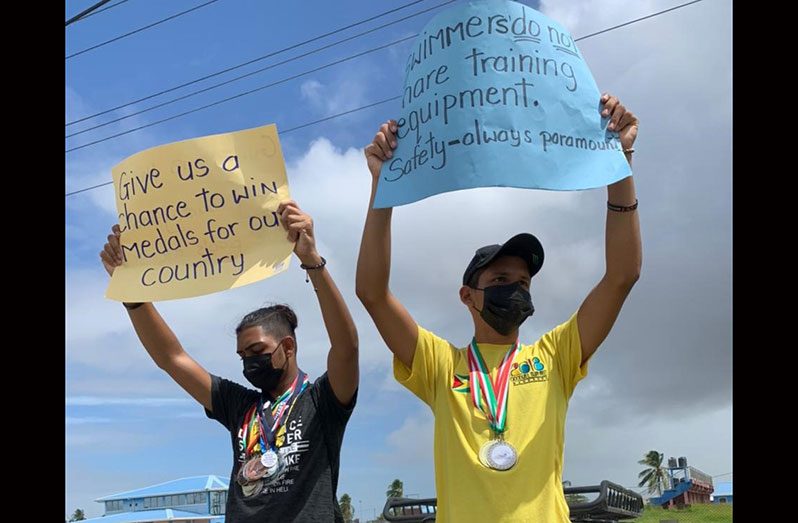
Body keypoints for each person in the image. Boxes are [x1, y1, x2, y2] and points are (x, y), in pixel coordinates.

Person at [356, 93, 641, 521]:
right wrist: (382, 188)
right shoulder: (439, 365)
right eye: (500, 281)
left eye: (523, 282)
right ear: (467, 296)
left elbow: (622, 275)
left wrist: (620, 165)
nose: (515, 290)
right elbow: (372, 294)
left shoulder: (554, 357)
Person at [100, 200, 359, 523]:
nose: (249, 362)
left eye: (256, 350)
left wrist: (311, 261)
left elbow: (346, 347)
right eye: (241, 356)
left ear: (288, 346)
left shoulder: (323, 400)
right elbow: (171, 358)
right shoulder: (240, 406)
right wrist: (131, 293)